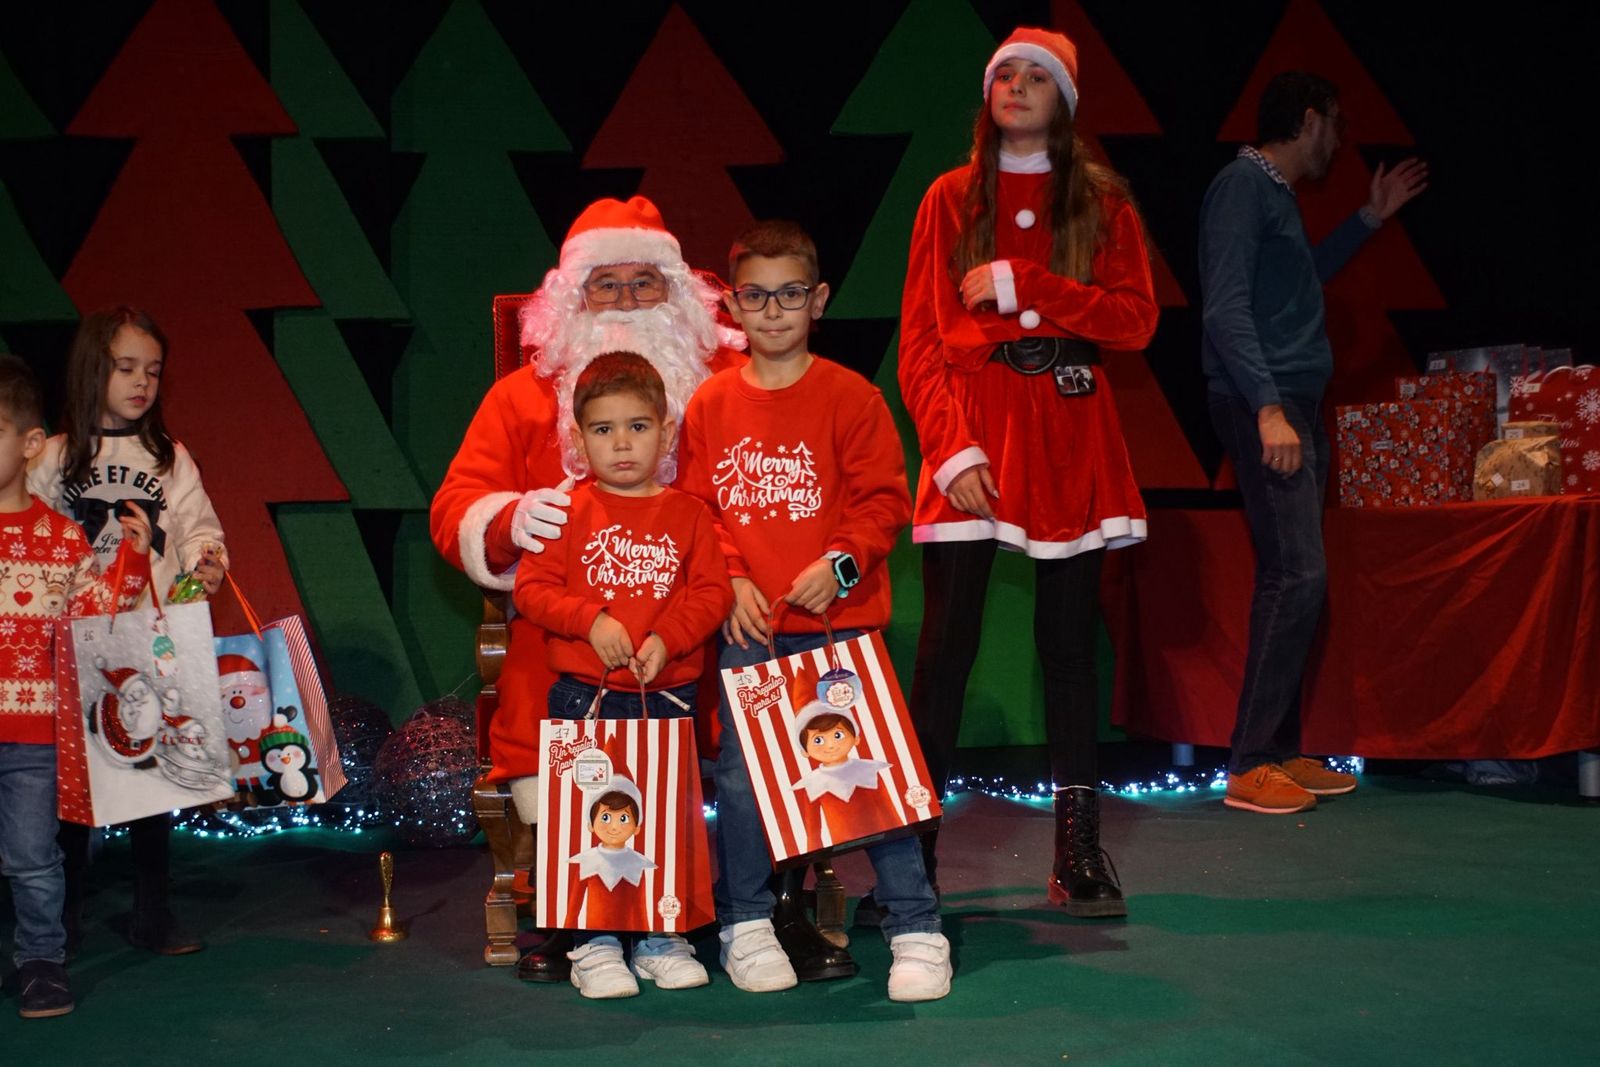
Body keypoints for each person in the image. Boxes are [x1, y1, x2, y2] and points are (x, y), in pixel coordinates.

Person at [430, 195, 743, 981]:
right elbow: (456, 505)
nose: (627, 301)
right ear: (573, 296)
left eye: (646, 283)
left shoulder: (722, 389)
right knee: (536, 690)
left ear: (678, 295)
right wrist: (510, 519)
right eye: (607, 284)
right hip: (568, 637)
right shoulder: (521, 396)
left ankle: (735, 904)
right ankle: (574, 909)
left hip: (693, 632)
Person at [894, 28, 1158, 920]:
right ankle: (913, 852)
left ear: (1065, 100)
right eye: (1004, 72)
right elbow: (922, 340)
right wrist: (952, 449)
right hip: (977, 429)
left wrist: (1032, 287)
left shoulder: (1102, 201)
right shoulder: (948, 197)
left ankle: (1078, 851)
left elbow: (1137, 319)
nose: (1015, 84)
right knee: (946, 649)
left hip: (1070, 428)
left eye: (1036, 75)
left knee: (1068, 646)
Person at [679, 220, 951, 1002]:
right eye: (756, 296)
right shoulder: (710, 403)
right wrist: (730, 579)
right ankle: (747, 923)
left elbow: (884, 503)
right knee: (740, 780)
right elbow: (697, 510)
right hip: (753, 630)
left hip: (840, 626)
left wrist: (838, 566)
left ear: (819, 299)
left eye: (790, 294)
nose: (773, 311)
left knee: (870, 777)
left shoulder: (851, 397)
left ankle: (916, 927)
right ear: (734, 305)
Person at [1200, 72, 1427, 815]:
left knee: (1296, 575)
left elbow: (1297, 283)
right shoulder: (1241, 188)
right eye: (1336, 122)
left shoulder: (1276, 196)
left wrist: (1368, 218)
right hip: (1264, 401)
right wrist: (1268, 408)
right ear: (1308, 121)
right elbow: (1226, 309)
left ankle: (1277, 749)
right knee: (1296, 574)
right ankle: (1249, 762)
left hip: (1292, 399)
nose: (1341, 138)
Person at [515, 352, 731, 998]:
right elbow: (532, 589)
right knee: (587, 817)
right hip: (585, 696)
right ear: (578, 439)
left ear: (666, 431)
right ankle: (594, 940)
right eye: (603, 429)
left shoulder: (689, 513)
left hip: (667, 696)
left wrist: (668, 637)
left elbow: (712, 592)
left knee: (661, 818)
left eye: (638, 426)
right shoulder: (568, 511)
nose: (622, 443)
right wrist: (591, 620)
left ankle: (662, 937)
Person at [28, 306, 227, 956]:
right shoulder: (53, 457)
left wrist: (207, 560)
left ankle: (152, 911)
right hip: (72, 644)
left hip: (149, 634)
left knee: (151, 779)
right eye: (126, 368)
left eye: (153, 370)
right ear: (93, 371)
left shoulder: (169, 456)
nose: (142, 381)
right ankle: (61, 918)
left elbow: (199, 526)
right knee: (68, 790)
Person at [0, 354, 152, 1018]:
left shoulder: (61, 539)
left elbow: (97, 614)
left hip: (33, 737)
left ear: (31, 443)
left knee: (33, 857)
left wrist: (133, 560)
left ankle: (41, 960)